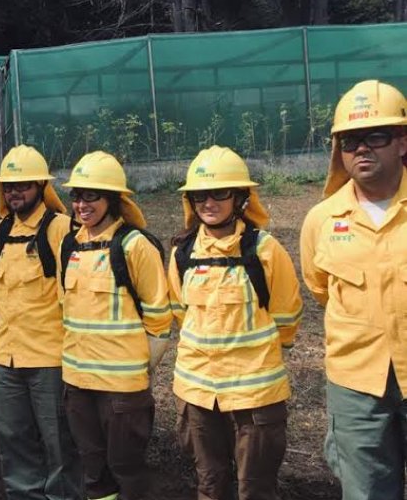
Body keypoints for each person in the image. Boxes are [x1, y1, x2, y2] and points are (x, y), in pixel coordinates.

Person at [170, 146, 303, 500]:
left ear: (241, 197)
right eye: (199, 195)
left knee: (255, 488)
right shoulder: (181, 254)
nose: (208, 202)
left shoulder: (264, 250)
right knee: (210, 484)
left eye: (220, 193)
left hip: (255, 394)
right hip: (198, 392)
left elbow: (287, 315)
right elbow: (181, 312)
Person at [300, 80, 407, 500]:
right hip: (357, 387)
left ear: (401, 142)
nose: (361, 149)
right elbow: (320, 289)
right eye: (349, 141)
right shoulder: (322, 220)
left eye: (375, 137)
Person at [59, 151, 172, 500]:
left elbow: (159, 317)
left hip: (122, 389)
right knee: (93, 470)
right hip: (78, 383)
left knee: (127, 469)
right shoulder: (71, 245)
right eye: (76, 196)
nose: (81, 204)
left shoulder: (135, 245)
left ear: (112, 199)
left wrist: (141, 372)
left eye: (91, 195)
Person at [0, 145, 82, 500]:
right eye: (9, 186)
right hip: (7, 359)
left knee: (60, 443)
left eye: (23, 185)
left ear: (41, 186)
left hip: (49, 359)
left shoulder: (60, 229)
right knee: (13, 439)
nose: (14, 192)